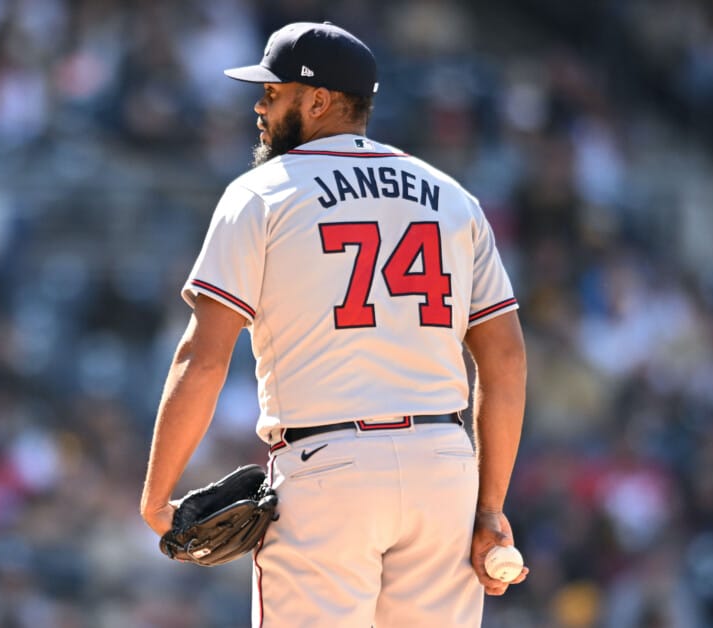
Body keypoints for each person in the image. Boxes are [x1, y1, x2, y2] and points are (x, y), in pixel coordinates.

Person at [141, 21, 528, 627]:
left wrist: (158, 496)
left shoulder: (261, 194)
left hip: (328, 468)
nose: (258, 106)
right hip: (443, 468)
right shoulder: (452, 198)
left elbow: (205, 357)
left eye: (273, 93)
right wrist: (489, 507)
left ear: (318, 101)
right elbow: (503, 362)